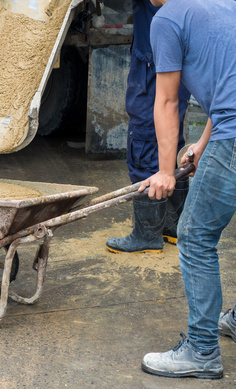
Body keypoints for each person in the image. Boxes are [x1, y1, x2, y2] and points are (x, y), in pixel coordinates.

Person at [139, 0, 236, 379]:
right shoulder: (224, 4)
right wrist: (202, 145)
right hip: (227, 127)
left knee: (195, 238)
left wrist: (164, 172)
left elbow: (166, 100)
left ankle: (202, 351)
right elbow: (227, 85)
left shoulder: (166, 19)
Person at [105, 0, 190, 254]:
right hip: (171, 60)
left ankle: (147, 234)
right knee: (172, 139)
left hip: (152, 66)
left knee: (144, 140)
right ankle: (171, 226)